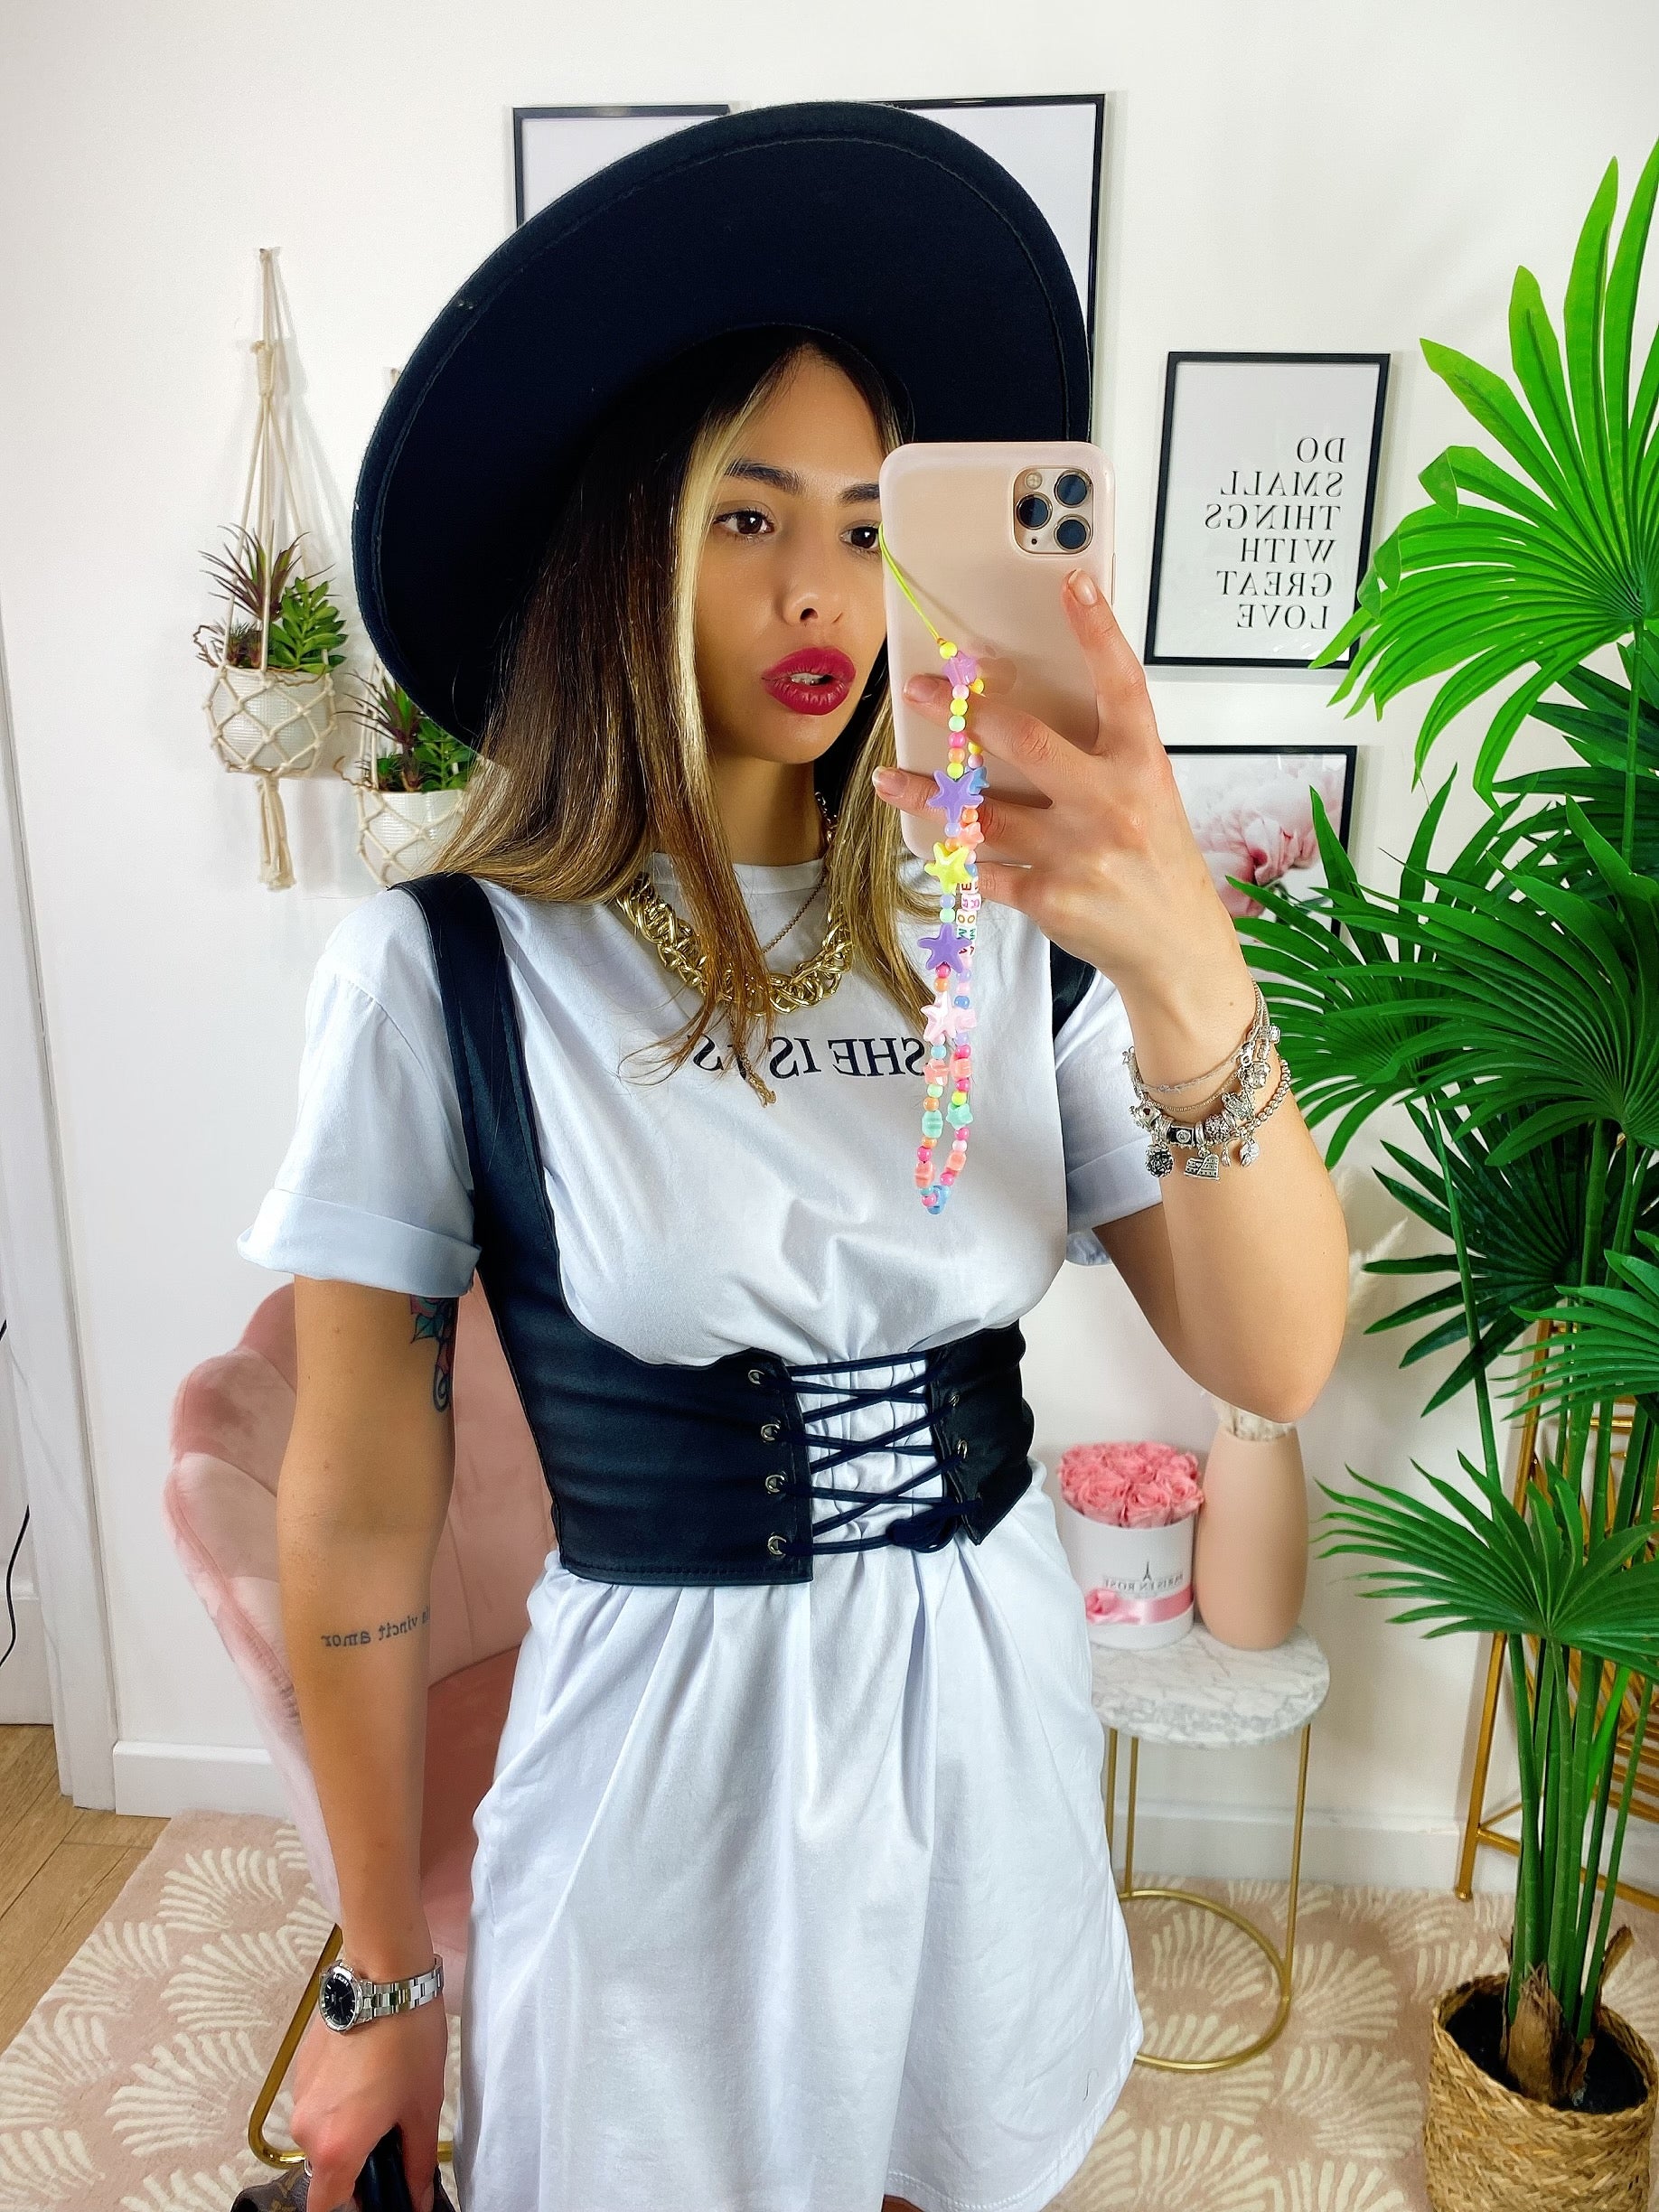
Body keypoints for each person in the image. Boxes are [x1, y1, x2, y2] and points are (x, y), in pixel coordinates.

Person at [237, 104, 1348, 2212]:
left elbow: (1276, 1356)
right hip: (663, 1785)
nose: (822, 590)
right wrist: (381, 1977)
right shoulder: (448, 968)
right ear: (620, 549)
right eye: (746, 518)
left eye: (865, 520)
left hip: (987, 1748)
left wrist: (1187, 961)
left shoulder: (1006, 937)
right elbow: (361, 1513)